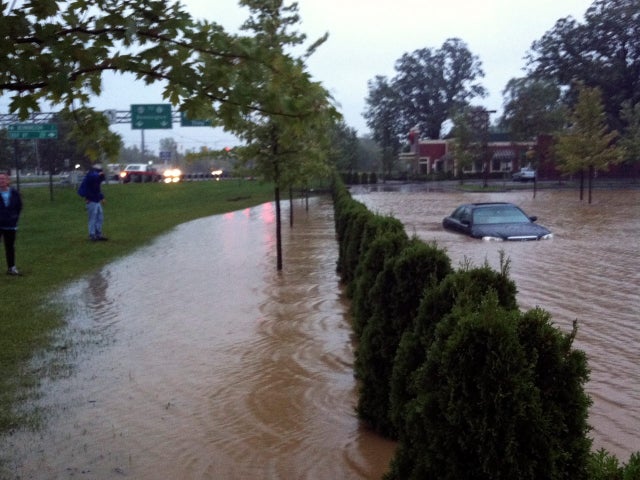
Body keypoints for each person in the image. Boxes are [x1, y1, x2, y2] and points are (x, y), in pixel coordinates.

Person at [0, 172, 23, 275]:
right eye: (0, 179)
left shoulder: (14, 193)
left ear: (8, 181)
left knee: (10, 247)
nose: (1, 181)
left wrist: (14, 218)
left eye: (3, 179)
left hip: (10, 224)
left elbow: (19, 206)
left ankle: (11, 268)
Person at [78, 164, 108, 241]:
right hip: (91, 200)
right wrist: (98, 174)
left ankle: (98, 233)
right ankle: (92, 234)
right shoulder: (91, 175)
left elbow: (97, 189)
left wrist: (102, 197)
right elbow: (93, 178)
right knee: (92, 218)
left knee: (99, 217)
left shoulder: (96, 179)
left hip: (97, 200)